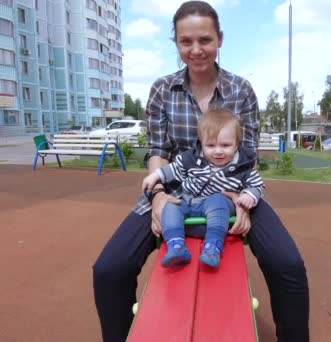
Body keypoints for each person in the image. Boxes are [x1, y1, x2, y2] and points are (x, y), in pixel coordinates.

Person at [92, 1, 310, 341]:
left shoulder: (240, 90)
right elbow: (159, 151)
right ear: (176, 43)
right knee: (109, 270)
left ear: (220, 40)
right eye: (186, 41)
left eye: (205, 40)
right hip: (178, 189)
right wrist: (159, 196)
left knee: (289, 266)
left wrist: (242, 200)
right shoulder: (163, 90)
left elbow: (249, 153)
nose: (196, 50)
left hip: (231, 189)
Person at [142, 108, 264, 268]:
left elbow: (257, 184)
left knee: (218, 199)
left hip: (217, 218)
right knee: (171, 205)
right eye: (211, 145)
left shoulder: (242, 168)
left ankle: (212, 247)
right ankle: (176, 246)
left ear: (237, 145)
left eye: (225, 145)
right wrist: (156, 175)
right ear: (201, 143)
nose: (218, 151)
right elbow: (174, 169)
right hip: (190, 208)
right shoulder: (191, 160)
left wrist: (249, 195)